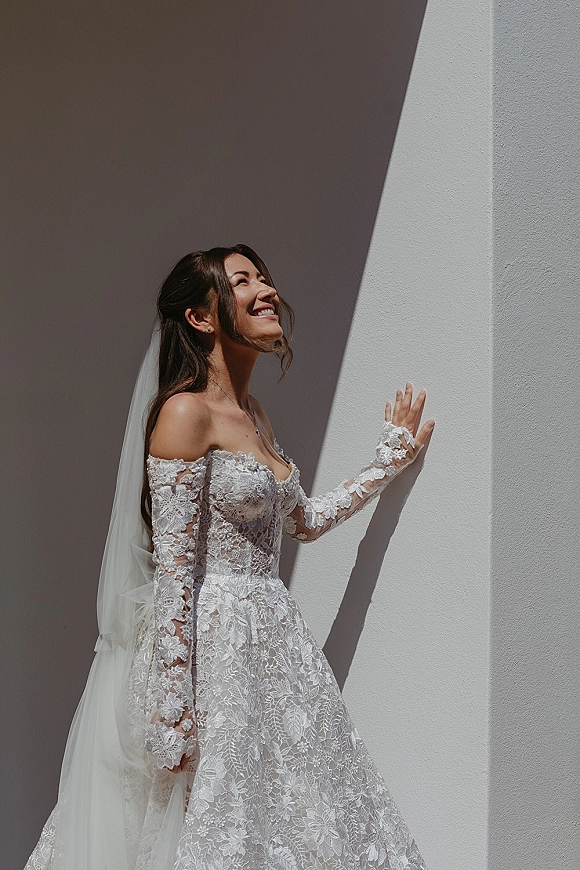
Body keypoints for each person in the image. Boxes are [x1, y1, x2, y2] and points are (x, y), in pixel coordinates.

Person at [25, 244, 435, 870]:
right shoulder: (186, 412)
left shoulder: (256, 416)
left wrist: (389, 459)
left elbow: (306, 521)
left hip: (273, 644)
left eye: (265, 277)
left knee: (294, 818)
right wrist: (172, 709)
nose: (267, 289)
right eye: (243, 281)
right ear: (201, 315)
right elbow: (174, 572)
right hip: (213, 657)